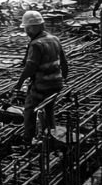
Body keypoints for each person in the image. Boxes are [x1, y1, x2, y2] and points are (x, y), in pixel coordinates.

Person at [12, 10, 68, 143]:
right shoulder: (54, 39)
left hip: (42, 84)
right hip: (56, 83)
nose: (26, 31)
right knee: (49, 108)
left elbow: (30, 67)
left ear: (33, 27)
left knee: (30, 110)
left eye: (26, 28)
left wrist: (19, 84)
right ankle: (51, 132)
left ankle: (28, 138)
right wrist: (63, 79)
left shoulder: (36, 44)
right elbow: (64, 63)